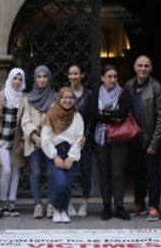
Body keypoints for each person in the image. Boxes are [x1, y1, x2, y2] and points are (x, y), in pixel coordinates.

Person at [123, 55, 161, 220]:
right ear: (135, 67)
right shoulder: (128, 85)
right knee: (137, 173)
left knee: (152, 174)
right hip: (132, 138)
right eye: (140, 65)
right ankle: (139, 203)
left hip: (149, 139)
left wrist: (155, 143)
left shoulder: (156, 87)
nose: (143, 69)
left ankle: (154, 206)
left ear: (150, 68)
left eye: (146, 66)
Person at [90, 65, 134, 221]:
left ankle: (120, 206)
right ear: (102, 78)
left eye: (115, 76)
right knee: (104, 174)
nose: (113, 79)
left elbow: (122, 115)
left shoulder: (123, 93)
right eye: (109, 76)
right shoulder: (96, 93)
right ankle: (106, 207)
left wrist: (105, 114)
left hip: (118, 139)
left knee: (117, 174)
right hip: (100, 138)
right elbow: (94, 115)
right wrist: (112, 116)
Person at [20, 66, 59, 218]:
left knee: (50, 173)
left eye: (45, 77)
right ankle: (37, 204)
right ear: (34, 79)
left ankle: (51, 204)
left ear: (49, 79)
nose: (42, 80)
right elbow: (25, 120)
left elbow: (57, 120)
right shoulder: (28, 99)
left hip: (50, 141)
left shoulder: (56, 98)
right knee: (35, 173)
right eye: (39, 77)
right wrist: (35, 136)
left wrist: (45, 137)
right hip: (34, 141)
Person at [41, 87, 84, 223]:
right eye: (64, 97)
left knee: (68, 184)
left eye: (70, 98)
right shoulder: (51, 114)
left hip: (71, 152)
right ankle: (56, 209)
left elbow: (79, 138)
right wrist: (54, 156)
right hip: (56, 152)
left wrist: (71, 157)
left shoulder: (77, 117)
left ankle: (63, 210)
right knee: (60, 183)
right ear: (59, 99)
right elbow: (45, 138)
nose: (67, 100)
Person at [0, 68, 27, 216]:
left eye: (20, 79)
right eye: (15, 78)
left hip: (16, 140)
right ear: (10, 79)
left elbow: (25, 121)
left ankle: (12, 203)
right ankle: (2, 202)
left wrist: (23, 141)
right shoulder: (0, 95)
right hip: (2, 140)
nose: (17, 82)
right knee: (6, 170)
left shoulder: (24, 98)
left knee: (16, 170)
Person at [68, 63, 96, 217]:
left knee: (85, 170)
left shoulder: (89, 94)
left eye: (76, 74)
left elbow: (92, 118)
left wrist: (86, 136)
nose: (73, 77)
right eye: (71, 74)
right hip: (68, 140)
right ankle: (69, 202)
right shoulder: (65, 94)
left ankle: (84, 202)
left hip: (85, 141)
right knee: (70, 172)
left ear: (82, 75)